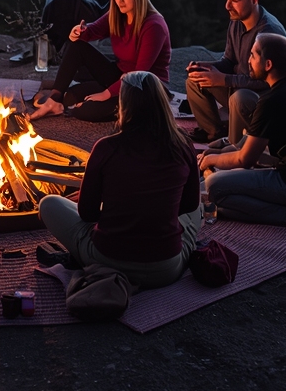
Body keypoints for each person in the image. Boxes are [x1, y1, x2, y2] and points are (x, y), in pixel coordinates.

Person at [39, 71, 202, 289]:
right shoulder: (182, 143)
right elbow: (189, 204)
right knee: (197, 206)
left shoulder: (106, 147)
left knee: (49, 204)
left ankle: (87, 259)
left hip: (108, 260)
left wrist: (118, 212)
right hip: (166, 269)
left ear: (124, 104)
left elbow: (87, 214)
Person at [199, 33, 286, 230]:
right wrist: (219, 154)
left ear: (268, 64)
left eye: (253, 55)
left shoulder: (271, 101)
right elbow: (253, 145)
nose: (248, 60)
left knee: (214, 187)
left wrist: (211, 161)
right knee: (225, 178)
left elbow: (245, 160)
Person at [31, 0, 170, 122]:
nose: (119, 1)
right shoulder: (118, 14)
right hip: (120, 75)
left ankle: (132, 109)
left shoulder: (153, 26)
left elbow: (139, 74)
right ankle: (54, 101)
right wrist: (80, 31)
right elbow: (94, 29)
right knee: (70, 95)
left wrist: (106, 94)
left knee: (85, 111)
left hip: (145, 87)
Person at [185, 0, 286, 144]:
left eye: (235, 0)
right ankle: (213, 132)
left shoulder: (268, 32)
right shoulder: (236, 22)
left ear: (254, 0)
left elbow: (266, 82)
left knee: (238, 98)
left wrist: (224, 79)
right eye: (227, 0)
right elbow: (229, 61)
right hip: (237, 85)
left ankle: (236, 144)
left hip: (263, 97)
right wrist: (207, 67)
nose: (227, 6)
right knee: (196, 79)